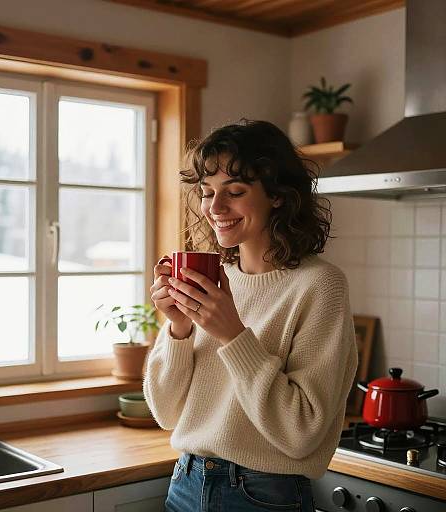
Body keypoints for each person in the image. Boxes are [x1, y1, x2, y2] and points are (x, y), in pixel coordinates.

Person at [143, 119, 358, 512]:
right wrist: (178, 328)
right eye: (207, 193)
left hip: (261, 496)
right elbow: (166, 412)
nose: (215, 208)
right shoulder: (216, 283)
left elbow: (302, 432)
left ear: (278, 195)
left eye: (235, 192)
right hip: (185, 484)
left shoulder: (320, 286)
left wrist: (232, 336)